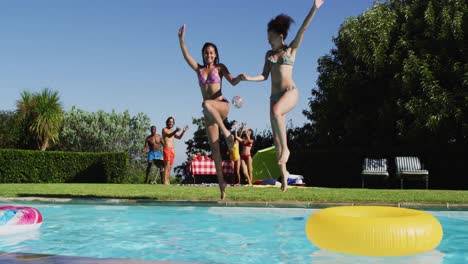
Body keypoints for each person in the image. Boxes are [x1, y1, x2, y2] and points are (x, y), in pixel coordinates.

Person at [239, 0, 324, 191]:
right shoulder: (269, 54)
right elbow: (264, 76)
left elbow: (303, 28)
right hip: (274, 98)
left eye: (270, 36)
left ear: (280, 35)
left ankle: (287, 150)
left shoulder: (291, 49)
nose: (268, 39)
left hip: (290, 93)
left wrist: (314, 8)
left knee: (278, 115)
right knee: (277, 138)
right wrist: (248, 78)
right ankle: (284, 175)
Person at [178, 24, 242, 200]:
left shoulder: (220, 67)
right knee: (215, 150)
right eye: (206, 52)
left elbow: (233, 81)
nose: (209, 55)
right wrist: (181, 39)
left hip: (221, 106)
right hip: (209, 115)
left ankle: (227, 133)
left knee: (205, 103)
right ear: (203, 54)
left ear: (216, 54)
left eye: (212, 52)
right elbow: (186, 56)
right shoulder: (199, 69)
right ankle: (222, 185)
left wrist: (241, 77)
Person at [162, 117, 188, 185]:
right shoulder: (164, 129)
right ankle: (165, 181)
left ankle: (167, 180)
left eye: (172, 122)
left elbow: (179, 138)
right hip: (167, 148)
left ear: (173, 123)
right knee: (166, 165)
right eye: (169, 121)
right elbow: (169, 135)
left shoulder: (173, 131)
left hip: (172, 149)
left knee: (170, 166)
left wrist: (183, 131)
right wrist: (175, 131)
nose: (171, 123)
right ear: (167, 122)